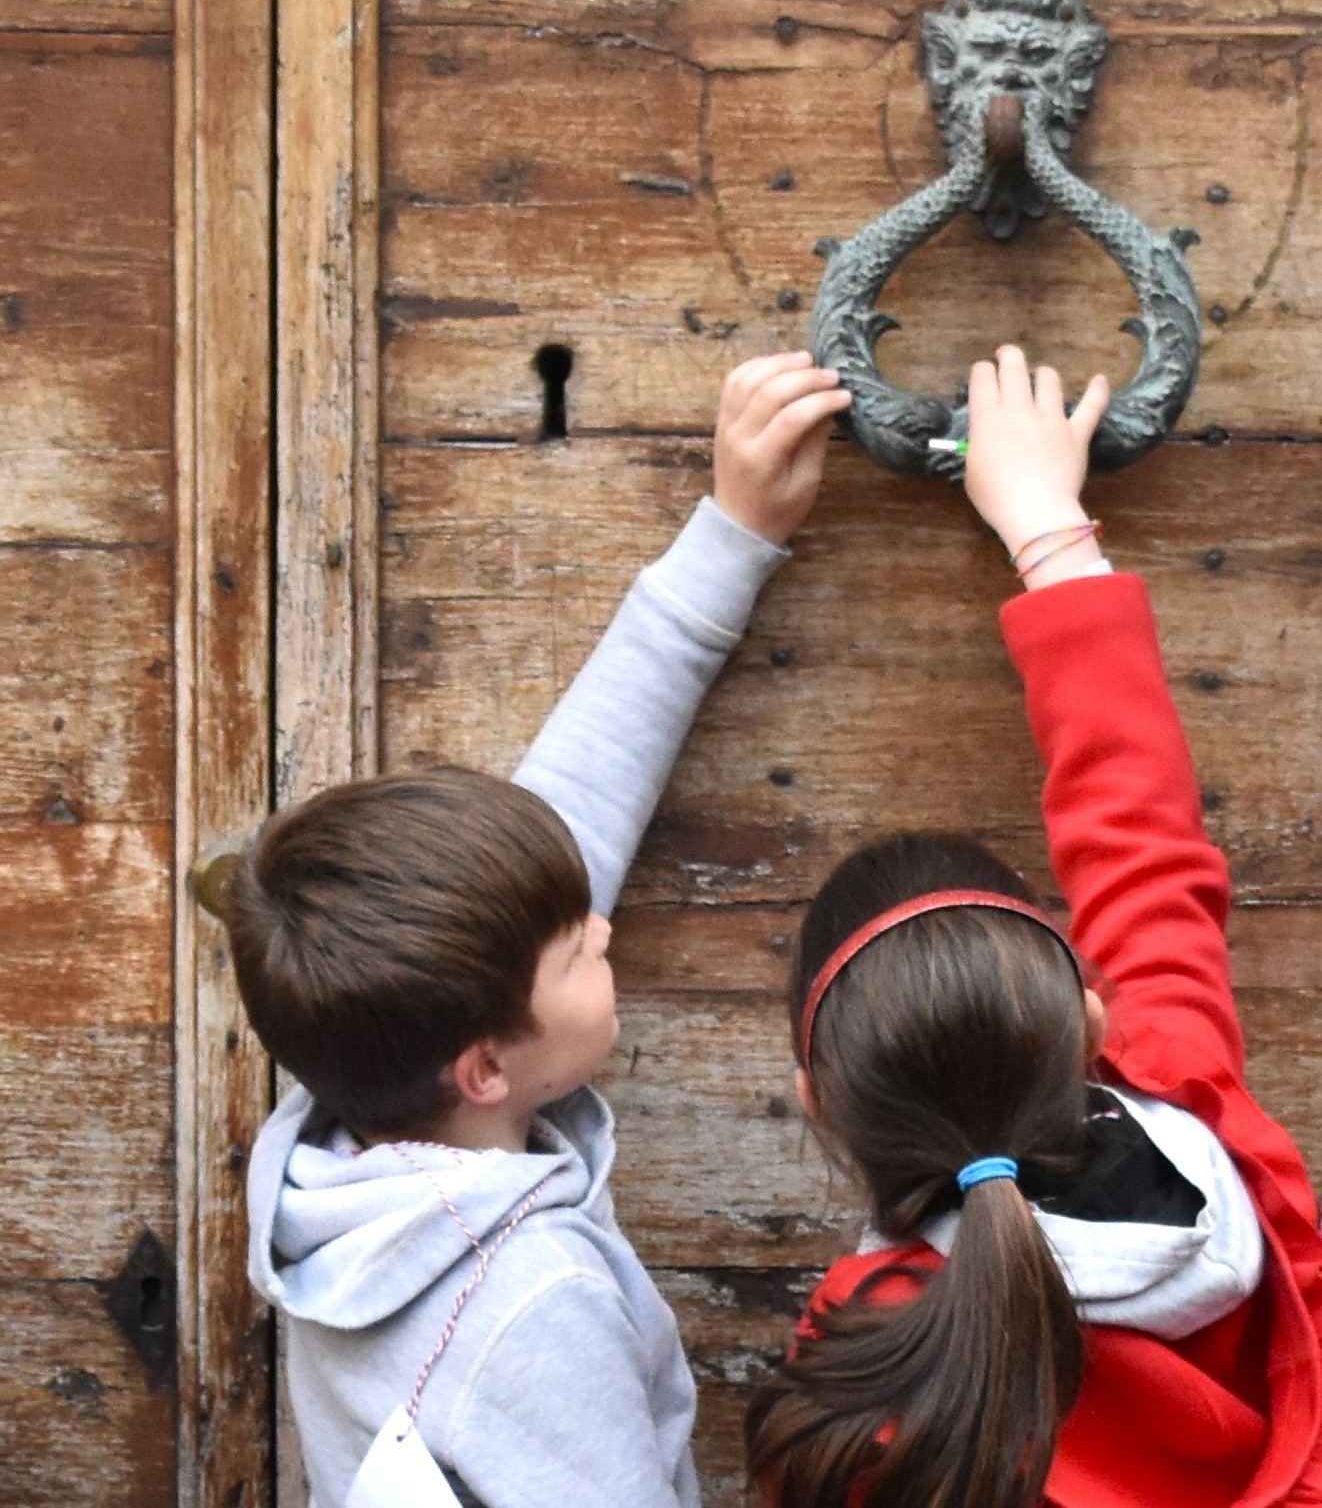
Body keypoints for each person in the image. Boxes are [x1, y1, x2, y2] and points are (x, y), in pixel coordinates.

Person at [225, 351, 853, 1508]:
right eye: (577, 950)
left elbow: (564, 821)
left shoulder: (352, 1146)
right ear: (483, 1063)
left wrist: (730, 532)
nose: (602, 930)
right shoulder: (528, 1297)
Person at [745, 345, 1322, 1508]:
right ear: (1092, 1022)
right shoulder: (1199, 1116)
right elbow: (1141, 852)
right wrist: (1049, 530)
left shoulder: (859, 1365)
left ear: (817, 1098)